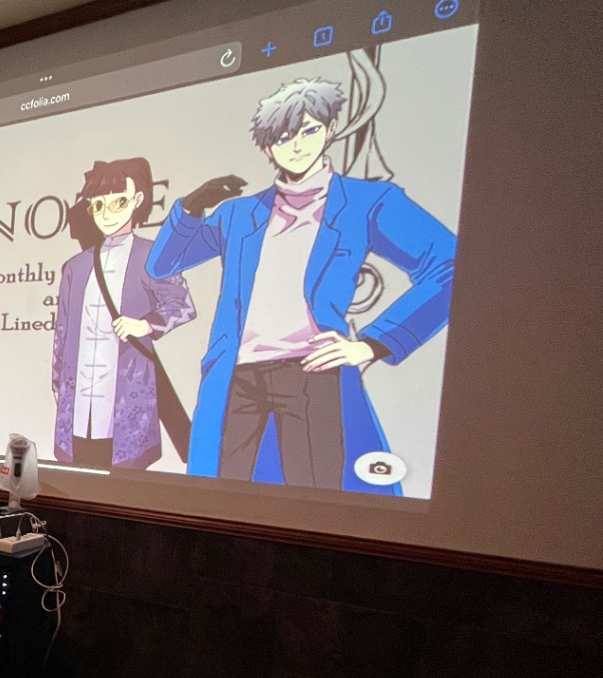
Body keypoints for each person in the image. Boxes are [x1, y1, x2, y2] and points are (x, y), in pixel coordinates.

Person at [145, 77, 456, 493]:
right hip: (236, 376)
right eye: (284, 137)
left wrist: (374, 343)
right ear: (268, 147)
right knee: (219, 501)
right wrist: (190, 208)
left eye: (309, 130)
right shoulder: (240, 214)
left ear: (330, 129)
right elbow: (163, 264)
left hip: (311, 372)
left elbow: (449, 265)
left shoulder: (366, 201)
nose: (297, 145)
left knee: (312, 499)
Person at [52, 158, 196, 470]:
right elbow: (62, 331)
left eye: (118, 202)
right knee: (78, 471)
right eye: (98, 205)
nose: (107, 214)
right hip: (79, 393)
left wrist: (146, 324)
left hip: (127, 389)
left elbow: (181, 304)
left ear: (137, 200)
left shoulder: (152, 254)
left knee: (123, 473)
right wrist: (57, 382)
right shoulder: (75, 266)